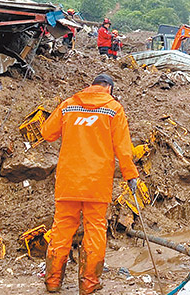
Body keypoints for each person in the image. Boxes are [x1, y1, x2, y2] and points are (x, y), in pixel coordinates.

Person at [41, 74, 139, 294]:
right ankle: (89, 284)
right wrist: (130, 175)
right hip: (97, 182)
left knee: (62, 229)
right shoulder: (114, 109)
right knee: (95, 230)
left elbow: (47, 133)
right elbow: (123, 149)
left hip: (68, 181)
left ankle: (53, 282)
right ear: (109, 89)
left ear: (91, 86)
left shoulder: (68, 105)